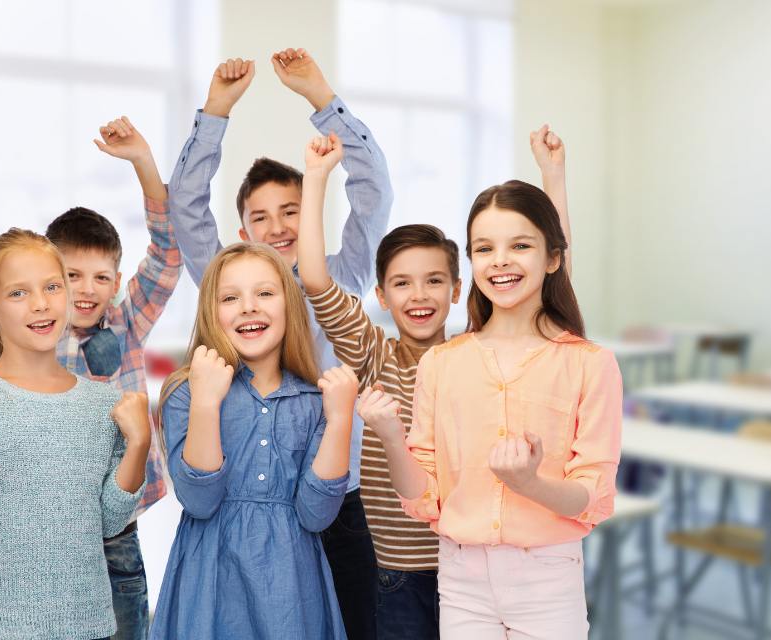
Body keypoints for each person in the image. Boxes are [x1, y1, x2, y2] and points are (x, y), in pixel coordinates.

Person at [0, 116, 178, 638]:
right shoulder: (1, 334)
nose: (76, 293)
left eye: (97, 279)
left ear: (115, 282)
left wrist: (143, 163)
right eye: (66, 277)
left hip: (110, 533)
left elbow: (166, 255)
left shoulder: (127, 320)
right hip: (13, 550)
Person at [167, 48, 392, 637]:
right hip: (235, 500)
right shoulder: (231, 285)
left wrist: (322, 99)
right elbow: (185, 209)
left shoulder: (339, 279)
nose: (278, 227)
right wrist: (215, 111)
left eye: (292, 211)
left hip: (333, 497)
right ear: (242, 234)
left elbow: (374, 192)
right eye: (260, 218)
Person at [365, 179, 622, 638]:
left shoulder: (590, 364)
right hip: (461, 577)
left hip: (547, 576)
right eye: (484, 248)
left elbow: (593, 496)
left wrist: (530, 484)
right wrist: (389, 436)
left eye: (520, 245)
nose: (500, 260)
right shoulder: (441, 365)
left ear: (553, 257)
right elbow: (421, 497)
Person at [0, 227, 149, 638]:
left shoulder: (103, 405)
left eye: (52, 287)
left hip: (87, 624)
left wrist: (139, 443)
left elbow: (111, 520)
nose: (40, 304)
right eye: (18, 293)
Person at [151, 242, 359, 640]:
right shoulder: (187, 392)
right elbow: (199, 500)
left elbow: (316, 514)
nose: (248, 307)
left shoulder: (316, 401)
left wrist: (340, 420)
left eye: (264, 293)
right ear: (212, 312)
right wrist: (207, 403)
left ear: (290, 305)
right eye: (230, 297)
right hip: (210, 582)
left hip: (290, 591)